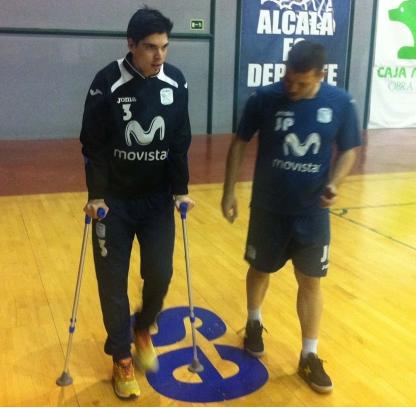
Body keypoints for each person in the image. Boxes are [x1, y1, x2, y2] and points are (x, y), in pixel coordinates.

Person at [221, 40, 361, 393]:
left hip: (312, 214)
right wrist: (229, 191)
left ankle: (309, 355)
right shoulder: (264, 99)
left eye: (301, 83)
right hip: (268, 209)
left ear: (321, 75)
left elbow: (349, 150)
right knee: (260, 270)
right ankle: (254, 321)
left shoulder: (341, 103)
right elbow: (239, 142)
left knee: (311, 282)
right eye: (288, 80)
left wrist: (335, 183)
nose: (292, 88)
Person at [80, 7, 194, 400]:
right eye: (150, 47)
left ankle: (143, 327)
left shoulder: (175, 81)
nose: (159, 55)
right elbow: (93, 144)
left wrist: (181, 189)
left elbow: (179, 141)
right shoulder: (106, 82)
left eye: (164, 46)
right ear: (131, 44)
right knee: (112, 282)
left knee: (160, 274)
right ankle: (122, 357)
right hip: (113, 203)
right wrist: (95, 194)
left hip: (157, 201)